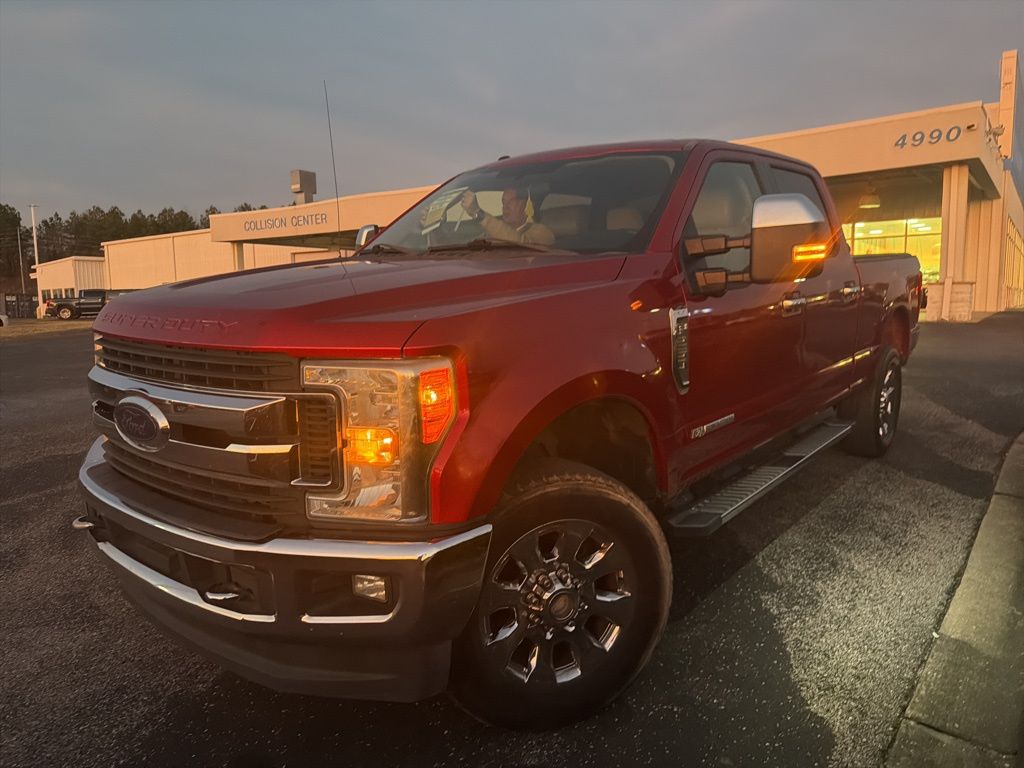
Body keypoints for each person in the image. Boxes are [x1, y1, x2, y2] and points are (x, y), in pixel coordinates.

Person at [460, 187, 555, 246]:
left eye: (512, 201)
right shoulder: (491, 234)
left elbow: (519, 243)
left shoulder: (542, 233)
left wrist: (479, 214)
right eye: (503, 202)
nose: (505, 207)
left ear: (528, 205)